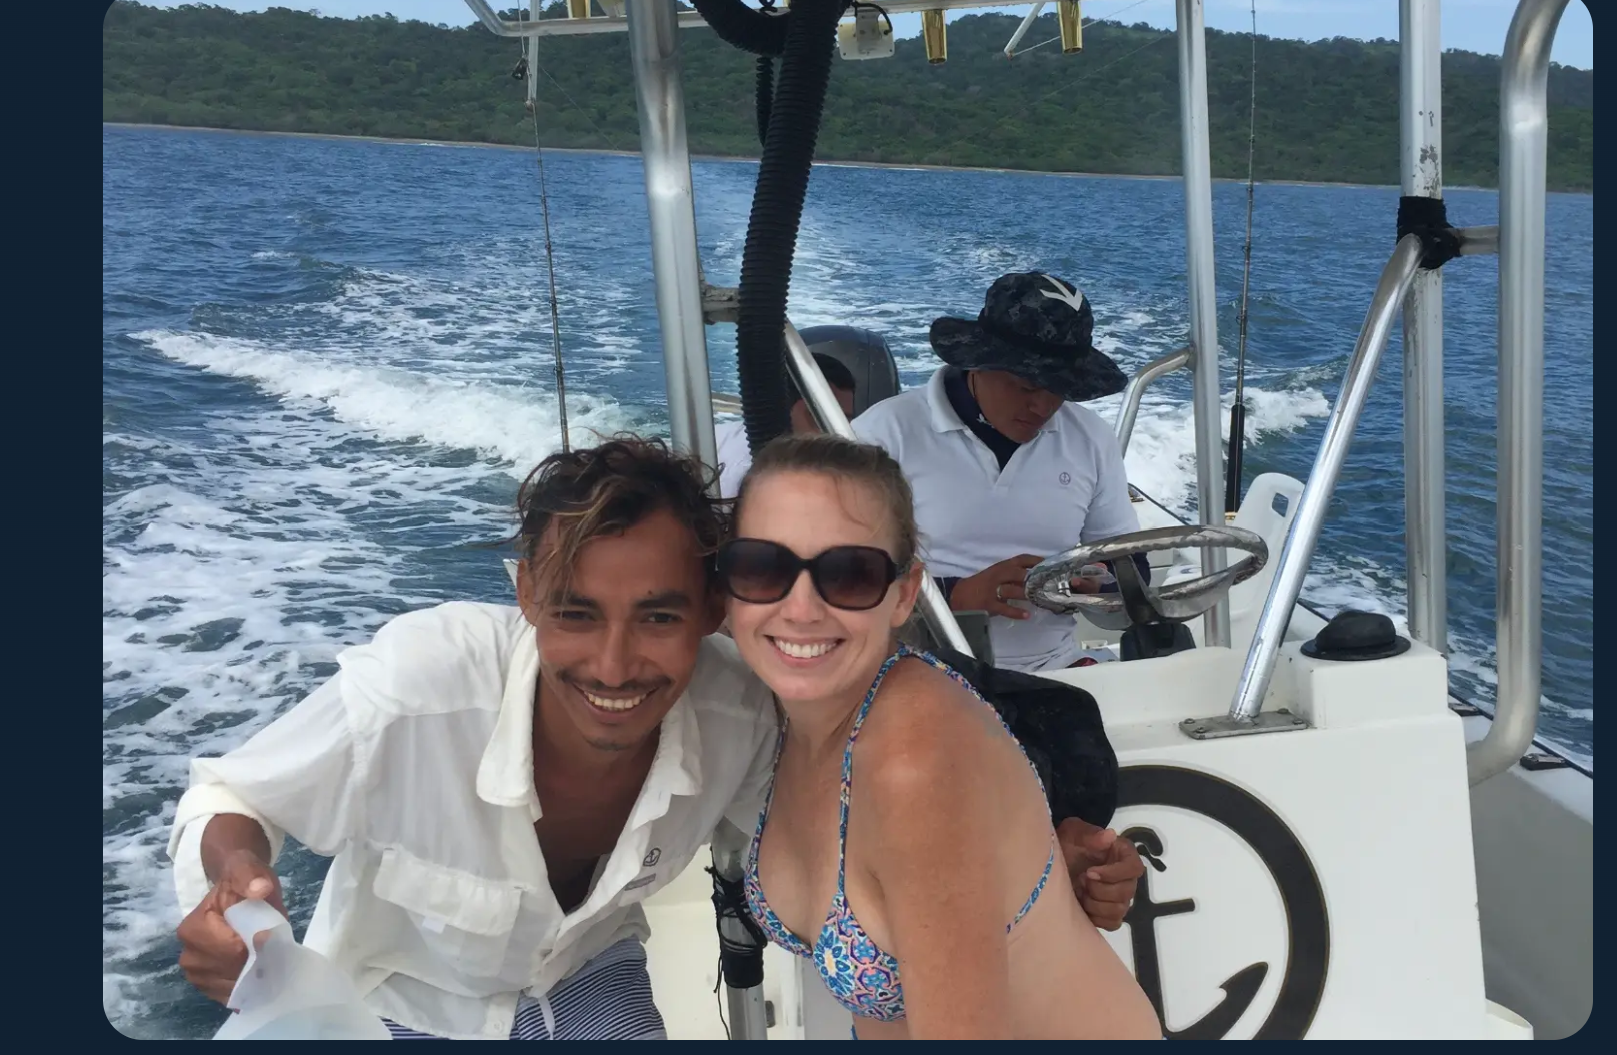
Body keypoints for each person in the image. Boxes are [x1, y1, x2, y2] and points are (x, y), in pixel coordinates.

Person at [170, 436, 1145, 1041]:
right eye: (576, 612)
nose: (615, 662)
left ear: (712, 609)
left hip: (592, 989)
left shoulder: (740, 714)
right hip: (400, 1001)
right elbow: (228, 791)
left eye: (662, 616)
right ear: (523, 597)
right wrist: (234, 882)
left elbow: (936, 766)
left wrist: (1045, 835)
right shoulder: (418, 688)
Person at [722, 433, 1161, 1040]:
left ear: (905, 594)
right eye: (762, 567)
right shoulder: (780, 711)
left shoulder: (914, 762)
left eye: (849, 574)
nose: (800, 608)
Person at [853, 271, 1150, 673]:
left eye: (1059, 388)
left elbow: (1132, 565)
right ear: (977, 363)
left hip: (1055, 668)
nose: (1043, 407)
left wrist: (1097, 580)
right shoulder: (886, 433)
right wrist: (956, 597)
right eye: (1026, 387)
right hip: (912, 666)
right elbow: (842, 574)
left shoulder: (1091, 438)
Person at [714, 351, 858, 499]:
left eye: (843, 421)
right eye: (816, 419)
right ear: (781, 408)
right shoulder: (721, 462)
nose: (833, 435)